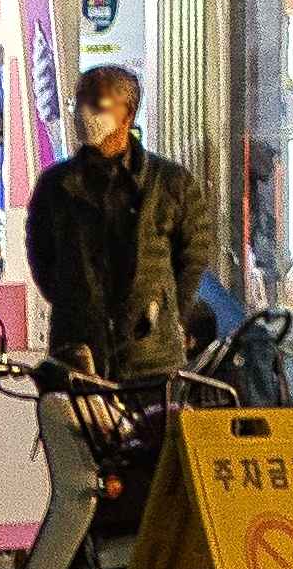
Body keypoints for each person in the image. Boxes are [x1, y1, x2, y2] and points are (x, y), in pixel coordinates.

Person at [25, 63, 215, 383]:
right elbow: (40, 256)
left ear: (127, 114)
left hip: (152, 359)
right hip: (77, 356)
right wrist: (76, 303)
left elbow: (194, 256)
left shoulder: (171, 182)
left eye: (96, 104)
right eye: (78, 103)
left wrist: (167, 311)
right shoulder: (55, 185)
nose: (84, 114)